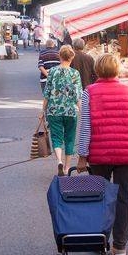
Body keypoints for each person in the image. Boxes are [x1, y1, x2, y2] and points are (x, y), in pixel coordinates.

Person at [77, 52, 128, 255]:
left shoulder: (90, 92)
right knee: (123, 199)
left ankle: (101, 242)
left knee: (101, 199)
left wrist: (82, 155)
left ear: (97, 70)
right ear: (118, 70)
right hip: (127, 154)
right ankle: (120, 246)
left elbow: (86, 127)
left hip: (100, 155)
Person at [43, 45, 82, 175]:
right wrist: (82, 111)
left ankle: (59, 160)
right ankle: (66, 168)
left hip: (54, 111)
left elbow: (47, 93)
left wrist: (42, 111)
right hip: (70, 111)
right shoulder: (75, 73)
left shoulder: (52, 71)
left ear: (59, 56)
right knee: (70, 139)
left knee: (56, 137)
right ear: (72, 58)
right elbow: (78, 95)